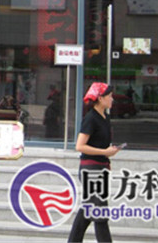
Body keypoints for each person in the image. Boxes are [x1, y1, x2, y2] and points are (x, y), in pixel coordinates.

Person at [68, 82, 122, 243]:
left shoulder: (105, 117)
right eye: (109, 96)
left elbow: (101, 143)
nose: (112, 99)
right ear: (100, 98)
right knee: (100, 213)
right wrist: (105, 152)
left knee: (88, 209)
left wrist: (108, 154)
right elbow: (80, 146)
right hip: (90, 170)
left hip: (100, 168)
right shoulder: (91, 118)